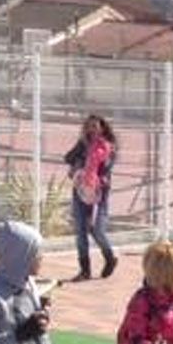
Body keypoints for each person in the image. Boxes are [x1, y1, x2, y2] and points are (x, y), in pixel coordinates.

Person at [62, 114, 118, 282]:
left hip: (98, 194)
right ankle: (85, 270)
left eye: (95, 126)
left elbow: (106, 169)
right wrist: (80, 163)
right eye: (89, 126)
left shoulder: (108, 147)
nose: (91, 129)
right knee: (80, 231)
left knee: (97, 229)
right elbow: (67, 158)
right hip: (80, 192)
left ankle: (110, 257)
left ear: (102, 127)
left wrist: (93, 173)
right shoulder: (83, 144)